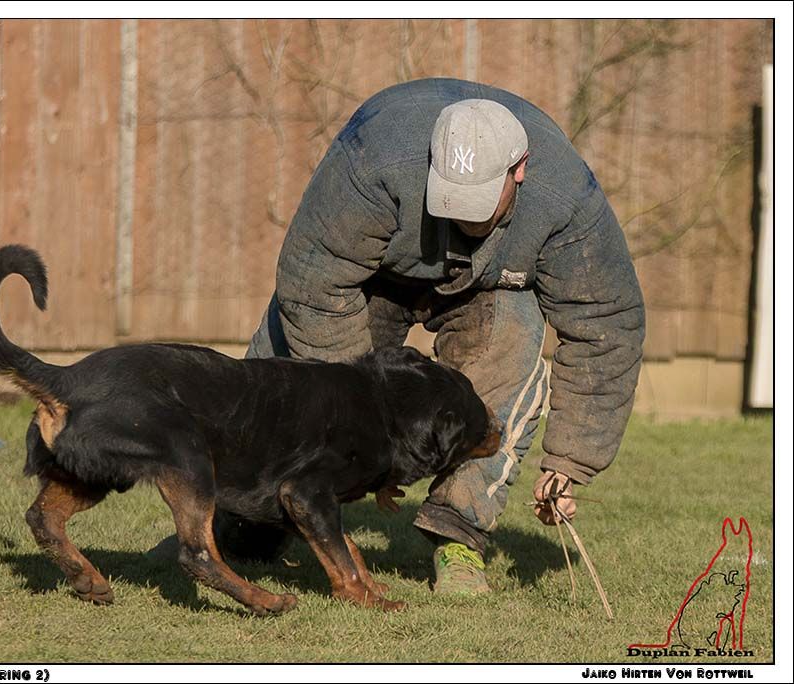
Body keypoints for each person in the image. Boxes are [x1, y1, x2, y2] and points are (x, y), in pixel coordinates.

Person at [236, 78, 646, 595]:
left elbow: (607, 325)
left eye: (479, 201)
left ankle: (458, 531)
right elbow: (312, 281)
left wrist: (570, 463)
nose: (460, 214)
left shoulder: (566, 201)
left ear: (519, 171)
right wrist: (349, 424)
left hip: (491, 285)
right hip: (373, 276)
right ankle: (240, 525)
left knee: (516, 337)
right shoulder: (374, 161)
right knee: (285, 359)